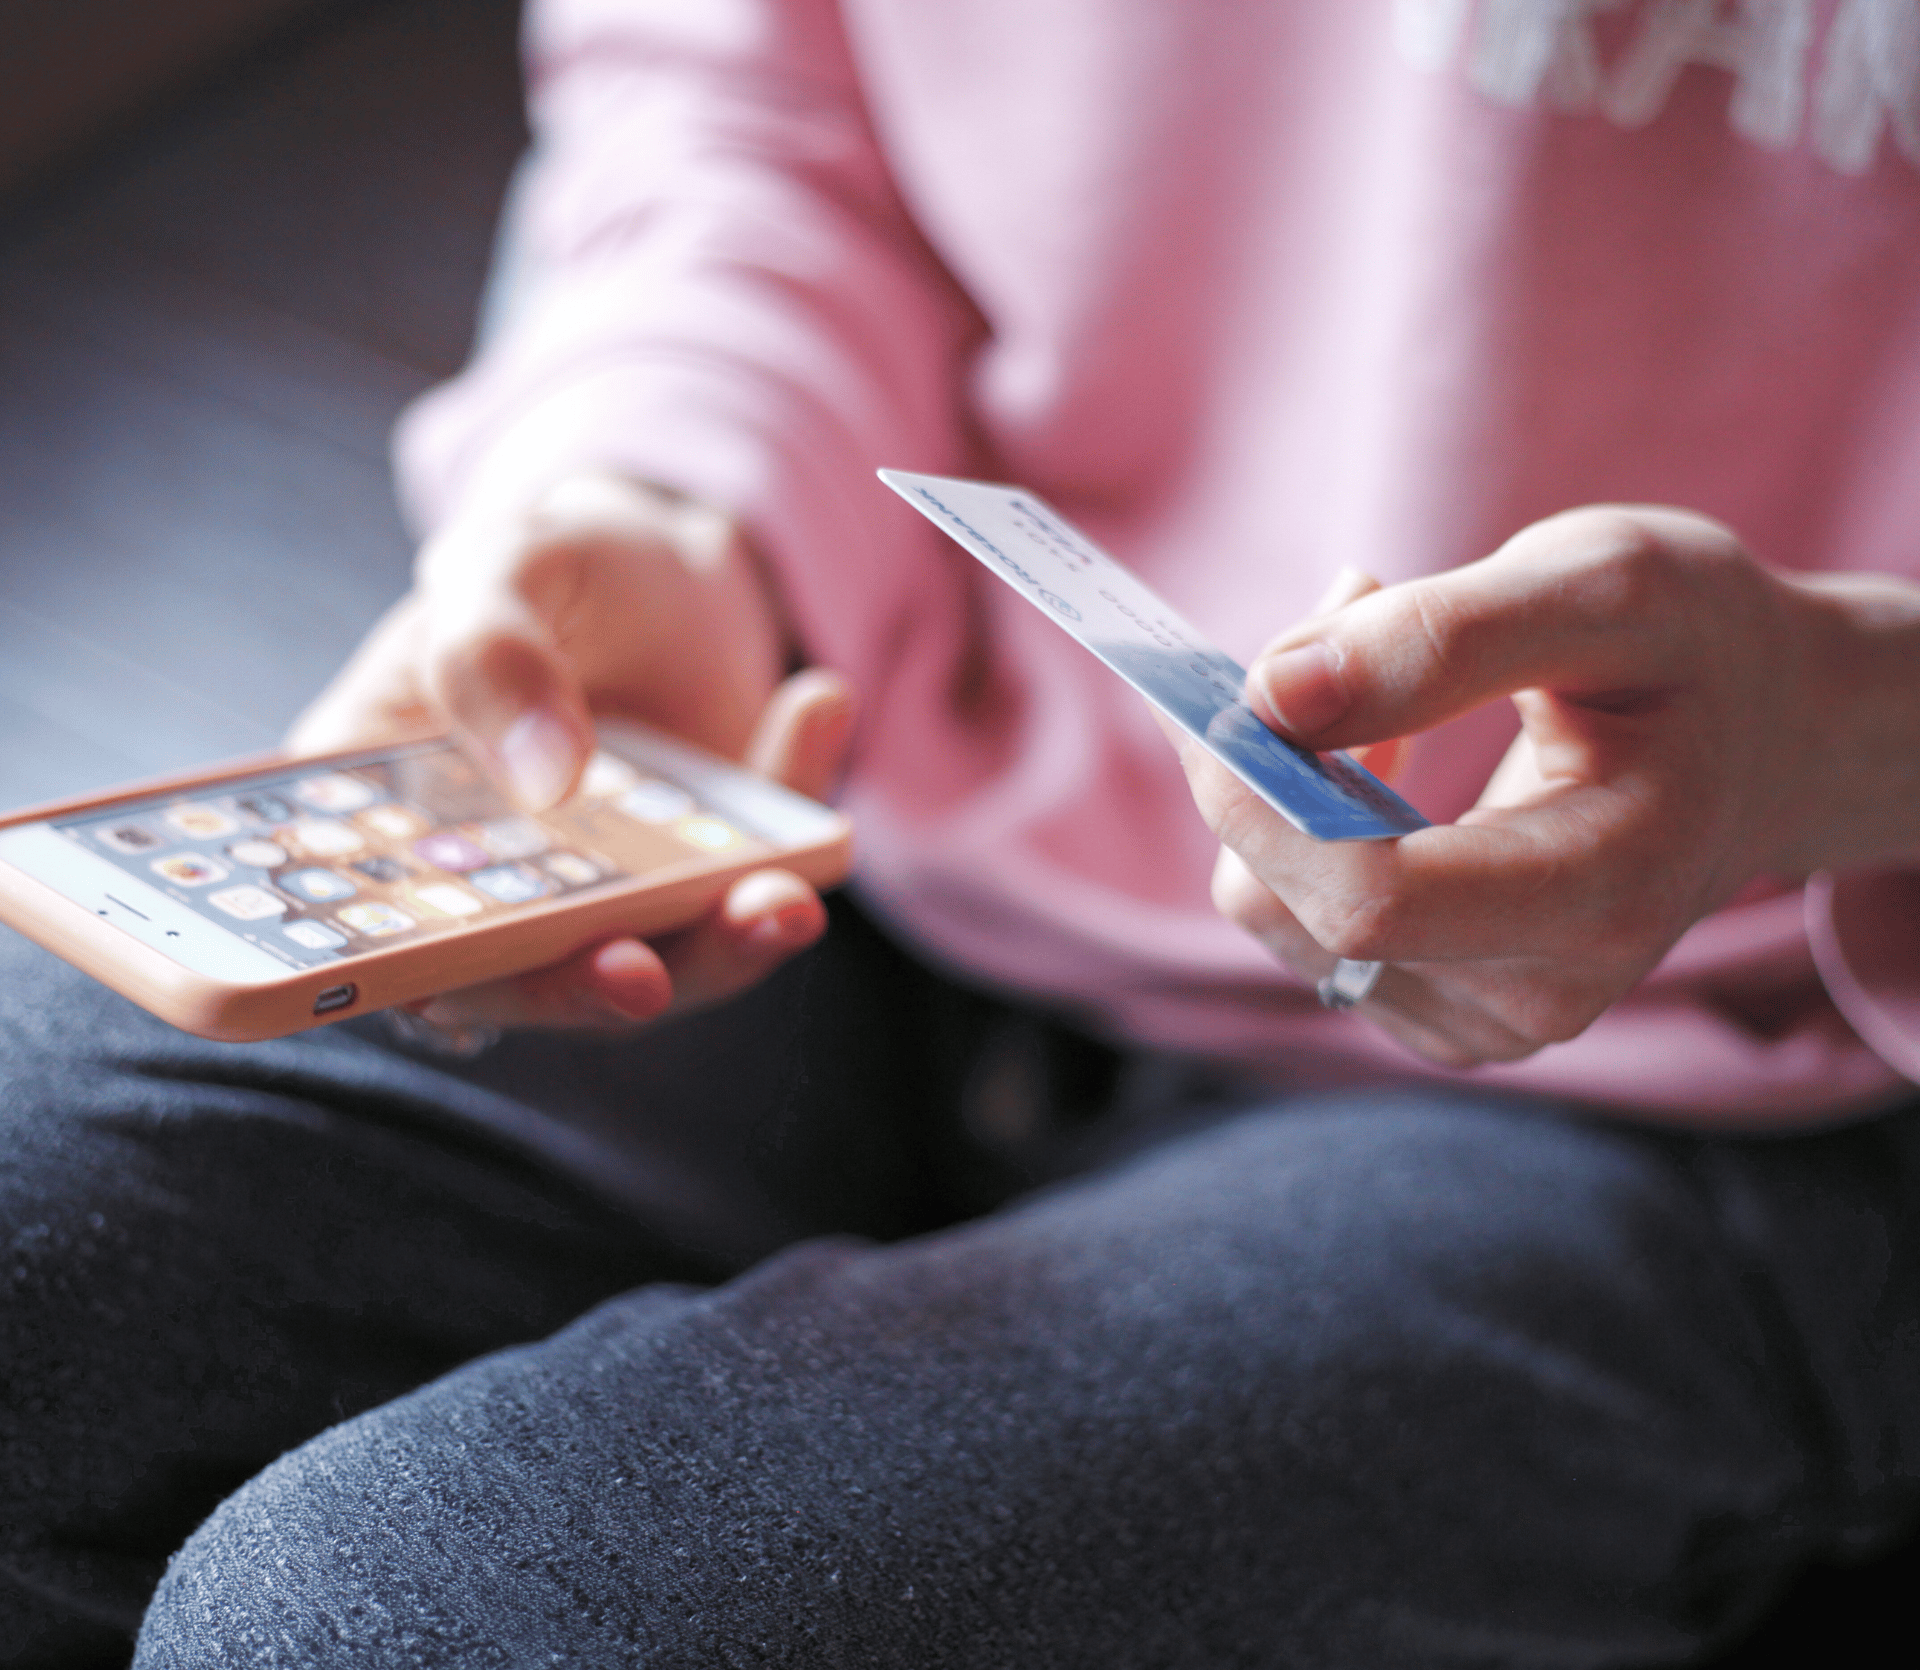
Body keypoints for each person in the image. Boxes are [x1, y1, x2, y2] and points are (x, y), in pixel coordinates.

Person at [4, 1, 1919, 1664]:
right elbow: (742, 109)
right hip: (860, 822)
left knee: (400, 1622)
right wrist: (676, 499)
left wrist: (1846, 725)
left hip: (1728, 1065)